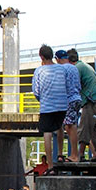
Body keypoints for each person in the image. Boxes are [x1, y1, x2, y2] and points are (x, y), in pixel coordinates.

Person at [32, 45, 77, 173]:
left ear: (41, 56)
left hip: (47, 106)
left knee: (47, 132)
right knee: (60, 127)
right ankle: (60, 155)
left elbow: (36, 90)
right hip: (62, 105)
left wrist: (42, 99)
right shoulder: (62, 69)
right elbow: (68, 85)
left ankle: (51, 166)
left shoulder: (39, 71)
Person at [69, 48, 96, 163]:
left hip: (92, 99)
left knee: (84, 125)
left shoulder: (76, 68)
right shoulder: (86, 66)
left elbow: (73, 86)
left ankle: (80, 154)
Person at [55, 49, 82, 161]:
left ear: (57, 59)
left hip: (68, 100)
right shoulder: (74, 68)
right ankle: (73, 154)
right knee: (72, 125)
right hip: (77, 98)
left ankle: (74, 155)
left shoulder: (61, 69)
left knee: (69, 127)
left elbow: (60, 85)